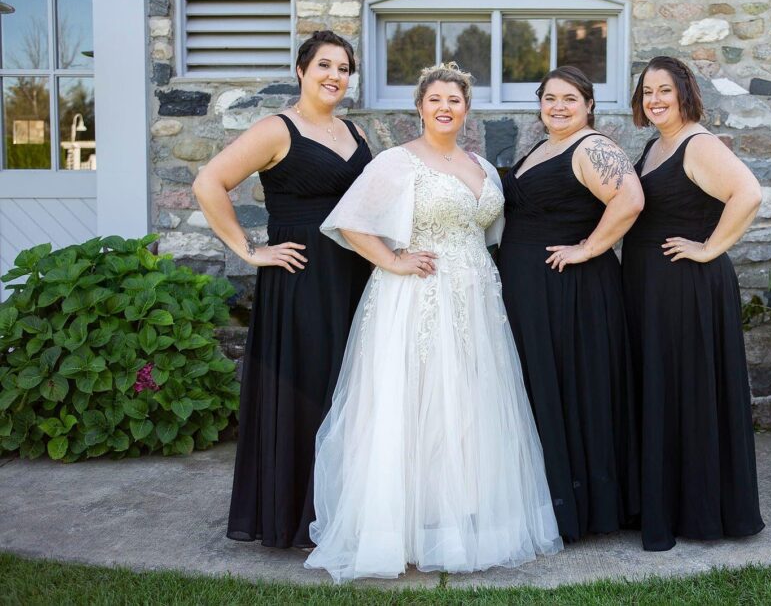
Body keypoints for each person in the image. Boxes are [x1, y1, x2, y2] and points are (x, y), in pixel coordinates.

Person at [304, 63, 561, 582]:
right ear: (420, 107)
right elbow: (349, 222)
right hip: (416, 296)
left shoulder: (483, 167)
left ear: (467, 109)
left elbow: (489, 230)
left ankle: (463, 524)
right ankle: (401, 530)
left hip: (476, 297)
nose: (446, 107)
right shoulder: (397, 162)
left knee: (467, 405)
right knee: (414, 403)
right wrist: (393, 260)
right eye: (436, 99)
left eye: (456, 100)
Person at [193, 31, 373, 549]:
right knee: (307, 389)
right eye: (324, 65)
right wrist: (249, 251)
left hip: (354, 276)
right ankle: (294, 514)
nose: (334, 76)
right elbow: (209, 182)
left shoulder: (354, 132)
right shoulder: (277, 128)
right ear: (301, 70)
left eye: (343, 68)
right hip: (301, 279)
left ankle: (342, 511)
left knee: (349, 389)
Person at [623, 56, 765, 551]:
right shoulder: (656, 145)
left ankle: (699, 509)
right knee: (664, 394)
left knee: (687, 393)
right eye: (647, 93)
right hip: (651, 287)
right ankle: (666, 500)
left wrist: (708, 248)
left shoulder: (698, 143)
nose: (655, 100)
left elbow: (747, 193)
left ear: (685, 93)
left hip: (685, 287)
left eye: (664, 90)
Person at [498, 66, 645, 543]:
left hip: (572, 293)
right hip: (534, 294)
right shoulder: (544, 147)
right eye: (549, 98)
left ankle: (584, 506)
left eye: (569, 99)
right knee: (545, 389)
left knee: (574, 389)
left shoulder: (592, 146)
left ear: (588, 105)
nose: (558, 107)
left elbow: (630, 198)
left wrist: (587, 248)